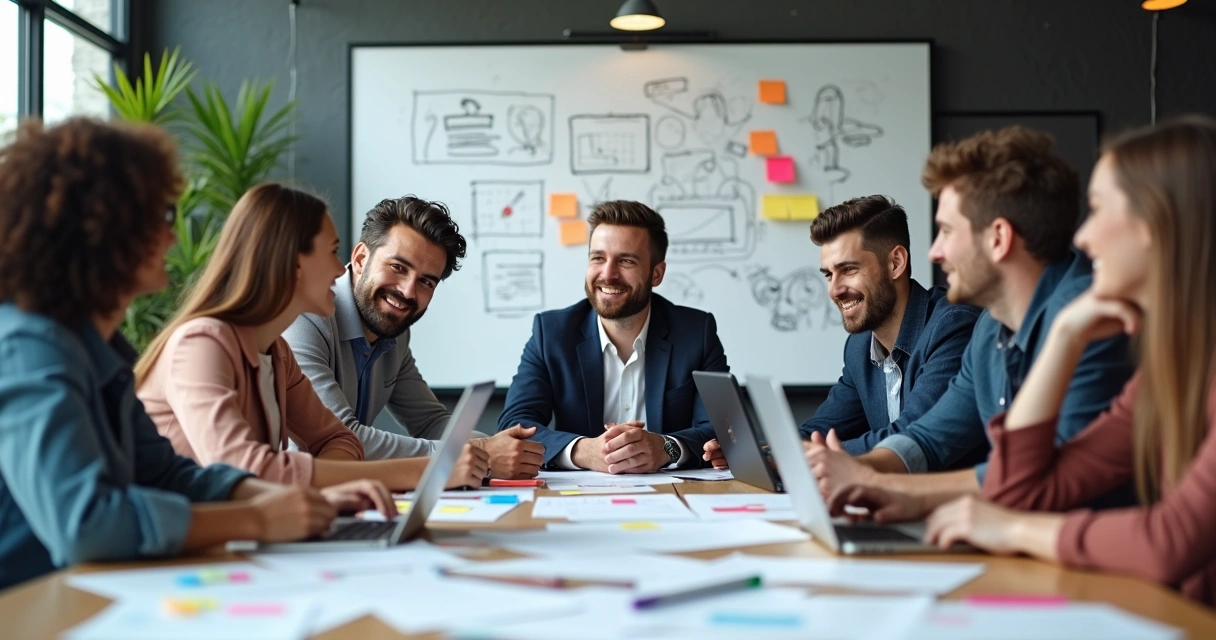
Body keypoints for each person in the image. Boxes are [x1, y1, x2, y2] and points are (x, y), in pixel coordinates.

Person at [831, 116, 1216, 606]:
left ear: (1159, 224)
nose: (1083, 237)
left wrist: (1013, 528)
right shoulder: (1167, 363)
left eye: (1099, 211)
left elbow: (1170, 541)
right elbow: (1024, 488)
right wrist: (1065, 338)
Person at [0, 118, 354, 590]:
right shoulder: (27, 349)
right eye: (162, 216)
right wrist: (257, 519)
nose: (172, 236)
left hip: (85, 594)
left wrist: (285, 501)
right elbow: (87, 524)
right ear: (103, 228)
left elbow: (165, 473)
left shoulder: (99, 348)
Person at [807, 126, 1133, 503]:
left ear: (997, 238)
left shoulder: (1089, 319)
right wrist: (858, 470)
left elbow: (1049, 482)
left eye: (946, 231)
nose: (934, 252)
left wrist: (882, 483)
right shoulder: (991, 327)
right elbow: (928, 439)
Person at [136, 183, 488, 491]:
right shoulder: (201, 344)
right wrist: (435, 467)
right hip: (177, 549)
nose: (340, 270)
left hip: (241, 535)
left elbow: (338, 438)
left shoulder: (276, 352)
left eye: (426, 280)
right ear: (290, 262)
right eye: (332, 251)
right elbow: (247, 472)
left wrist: (331, 480)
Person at [699, 195, 979, 469]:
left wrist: (797, 456)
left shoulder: (953, 327)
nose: (834, 290)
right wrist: (760, 451)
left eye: (848, 269)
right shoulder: (859, 346)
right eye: (829, 274)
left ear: (895, 263)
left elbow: (911, 436)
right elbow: (822, 429)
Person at [284, 196, 544, 479]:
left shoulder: (392, 330)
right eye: (398, 267)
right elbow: (341, 439)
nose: (408, 292)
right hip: (289, 499)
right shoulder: (304, 316)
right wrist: (479, 454)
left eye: (426, 281)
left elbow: (430, 421)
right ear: (360, 259)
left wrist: (499, 447)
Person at [498, 200, 728, 473]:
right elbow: (516, 424)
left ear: (656, 273)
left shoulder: (696, 332)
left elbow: (723, 428)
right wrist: (584, 451)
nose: (608, 274)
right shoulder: (552, 332)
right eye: (598, 258)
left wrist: (665, 448)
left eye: (626, 260)